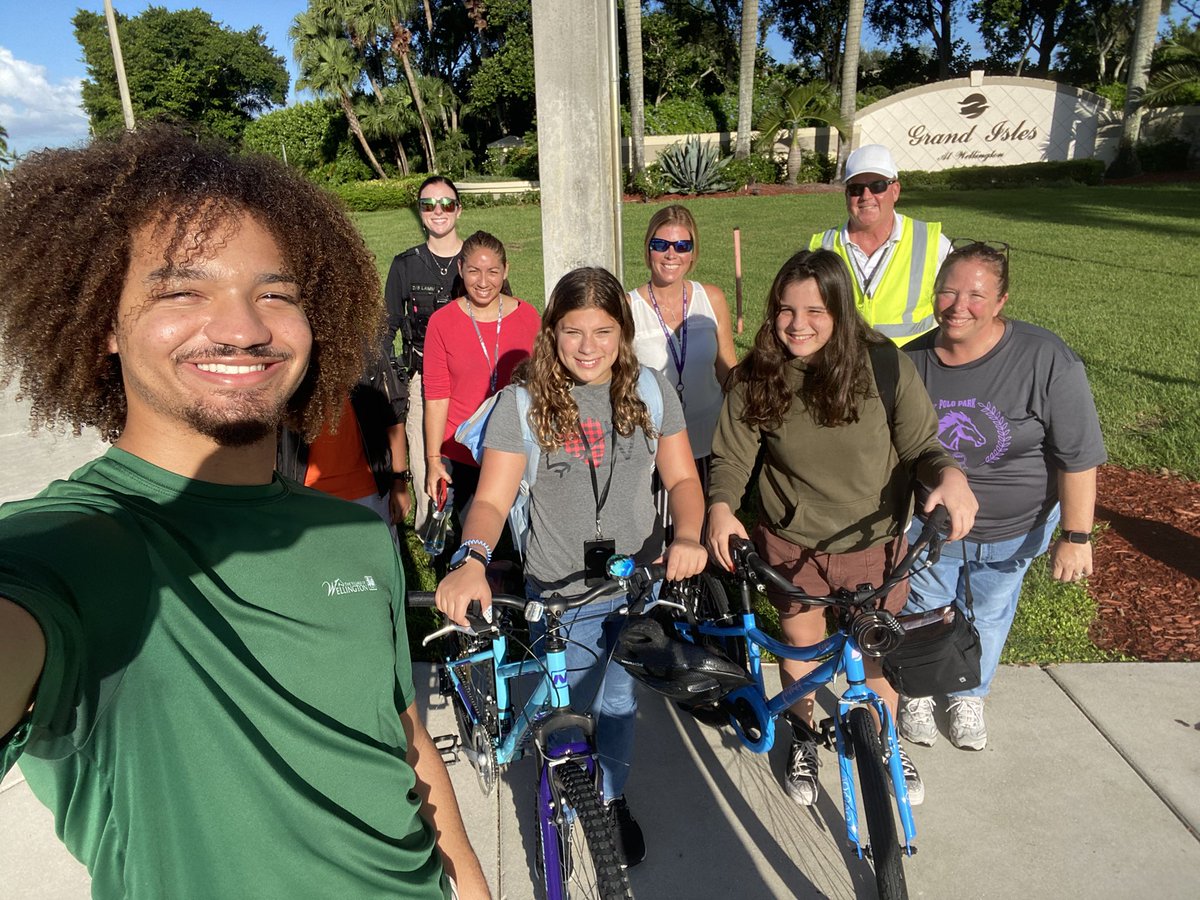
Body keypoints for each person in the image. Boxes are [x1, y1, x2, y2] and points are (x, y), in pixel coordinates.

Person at [0, 128, 487, 900]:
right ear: (102, 321)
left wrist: (473, 886)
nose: (244, 328)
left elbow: (400, 731)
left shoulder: (355, 536)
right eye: (181, 291)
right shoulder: (61, 549)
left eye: (276, 293)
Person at [435, 267, 708, 867]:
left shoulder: (652, 393)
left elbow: (684, 478)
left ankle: (607, 800)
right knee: (561, 711)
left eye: (604, 331)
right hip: (558, 596)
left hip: (634, 585)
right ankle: (564, 786)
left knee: (616, 704)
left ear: (624, 332)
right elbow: (490, 499)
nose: (589, 347)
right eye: (573, 331)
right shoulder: (524, 402)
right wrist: (473, 559)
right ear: (552, 333)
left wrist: (687, 534)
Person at [705, 249, 977, 810]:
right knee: (800, 650)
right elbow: (732, 459)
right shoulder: (759, 373)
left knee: (874, 656)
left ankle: (883, 740)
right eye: (785, 309)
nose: (797, 324)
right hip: (791, 542)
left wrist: (949, 477)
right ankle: (804, 738)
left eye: (814, 311)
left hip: (873, 544)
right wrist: (722, 506)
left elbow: (924, 446)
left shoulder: (883, 366)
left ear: (840, 311)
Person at [898, 241, 1106, 751]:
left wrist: (1077, 536)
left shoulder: (1044, 358)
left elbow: (1078, 455)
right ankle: (920, 690)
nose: (958, 305)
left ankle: (969, 691)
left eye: (975, 294)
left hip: (1016, 530)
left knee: (990, 610)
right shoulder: (911, 363)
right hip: (933, 528)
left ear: (1000, 301)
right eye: (947, 291)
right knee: (926, 604)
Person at [422, 230, 540, 534]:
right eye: (474, 271)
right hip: (462, 452)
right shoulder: (442, 322)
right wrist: (434, 460)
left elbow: (544, 385)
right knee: (474, 539)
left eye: (493, 271)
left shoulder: (528, 317)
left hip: (516, 449)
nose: (483, 281)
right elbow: (436, 395)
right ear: (461, 269)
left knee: (519, 544)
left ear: (506, 271)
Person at [627, 204, 737, 489]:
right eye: (661, 244)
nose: (671, 254)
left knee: (709, 529)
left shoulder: (711, 298)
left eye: (682, 245)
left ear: (693, 252)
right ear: (648, 249)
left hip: (710, 440)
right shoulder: (628, 307)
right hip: (655, 446)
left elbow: (728, 369)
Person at [808, 144, 953, 347]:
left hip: (911, 370)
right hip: (843, 370)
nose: (866, 196)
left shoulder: (932, 242)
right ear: (846, 196)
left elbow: (960, 310)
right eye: (856, 189)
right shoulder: (821, 247)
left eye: (878, 186)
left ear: (895, 190)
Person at [385, 176, 465, 532]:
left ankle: (479, 542)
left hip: (472, 382)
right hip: (422, 380)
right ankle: (433, 538)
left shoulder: (477, 260)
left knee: (473, 464)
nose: (438, 211)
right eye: (429, 204)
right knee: (424, 465)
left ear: (458, 210)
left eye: (446, 204)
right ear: (420, 212)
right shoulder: (405, 265)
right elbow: (387, 326)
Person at [277, 350, 414, 530]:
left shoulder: (368, 350)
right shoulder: (289, 349)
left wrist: (399, 480)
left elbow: (393, 416)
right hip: (305, 495)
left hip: (369, 494)